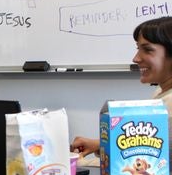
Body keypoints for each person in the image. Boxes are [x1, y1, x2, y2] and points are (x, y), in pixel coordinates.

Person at [72, 17, 172, 157]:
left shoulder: (169, 102)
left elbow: (145, 159)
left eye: (147, 50)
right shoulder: (161, 93)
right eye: (138, 49)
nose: (136, 58)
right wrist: (99, 144)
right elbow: (144, 144)